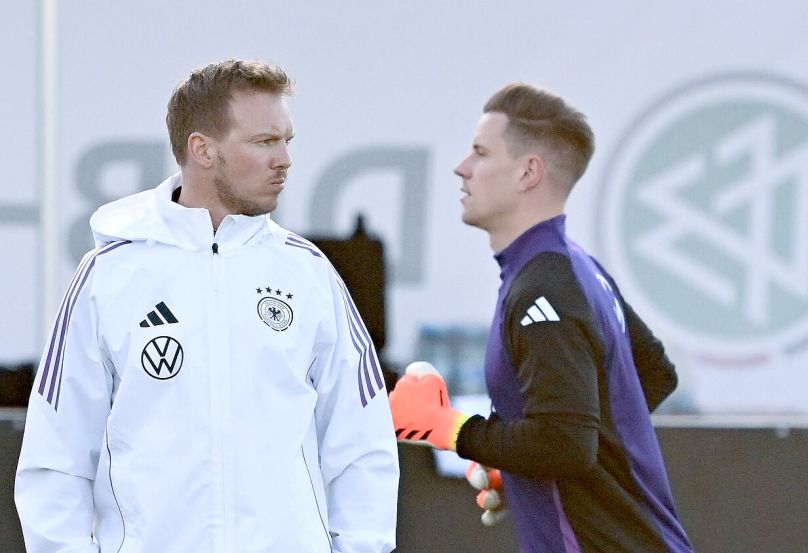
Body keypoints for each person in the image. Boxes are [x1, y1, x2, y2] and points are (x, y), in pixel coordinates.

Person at [16, 59, 399, 553]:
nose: (284, 159)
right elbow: (56, 456)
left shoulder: (309, 275)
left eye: (287, 140)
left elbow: (362, 445)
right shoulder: (108, 276)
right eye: (264, 142)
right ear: (202, 149)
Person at [389, 83, 694, 552]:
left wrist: (448, 426)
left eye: (480, 153)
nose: (462, 167)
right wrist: (524, 470)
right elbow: (649, 377)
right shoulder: (573, 267)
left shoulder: (546, 285)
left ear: (528, 172)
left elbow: (565, 443)